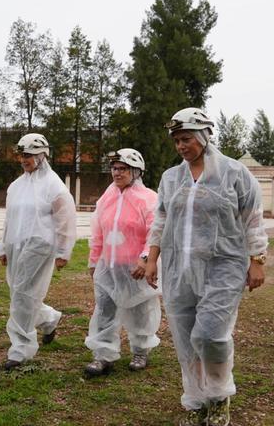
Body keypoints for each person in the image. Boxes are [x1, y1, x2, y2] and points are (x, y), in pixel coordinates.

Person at [143, 108, 268, 426]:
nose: (181, 146)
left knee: (211, 334)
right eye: (176, 141)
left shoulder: (235, 173)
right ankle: (198, 401)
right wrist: (152, 258)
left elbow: (252, 219)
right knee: (186, 339)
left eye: (186, 139)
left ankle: (219, 398)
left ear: (203, 136)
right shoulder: (172, 178)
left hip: (223, 267)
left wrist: (257, 261)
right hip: (177, 270)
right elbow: (160, 220)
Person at [0, 133, 77, 371]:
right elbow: (9, 219)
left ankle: (20, 350)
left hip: (41, 245)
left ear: (42, 156)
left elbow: (66, 219)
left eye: (29, 155)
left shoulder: (54, 185)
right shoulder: (16, 186)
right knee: (19, 293)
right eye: (21, 155)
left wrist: (64, 250)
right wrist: (3, 245)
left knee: (22, 295)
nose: (24, 160)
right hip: (15, 245)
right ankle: (49, 319)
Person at [83, 148, 161, 377]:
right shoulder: (106, 199)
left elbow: (155, 232)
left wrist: (146, 258)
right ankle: (103, 355)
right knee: (104, 310)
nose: (117, 173)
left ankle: (140, 350)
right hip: (109, 267)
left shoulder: (149, 199)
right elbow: (98, 232)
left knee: (141, 310)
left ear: (136, 171)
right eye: (114, 168)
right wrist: (94, 260)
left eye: (122, 168)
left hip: (136, 268)